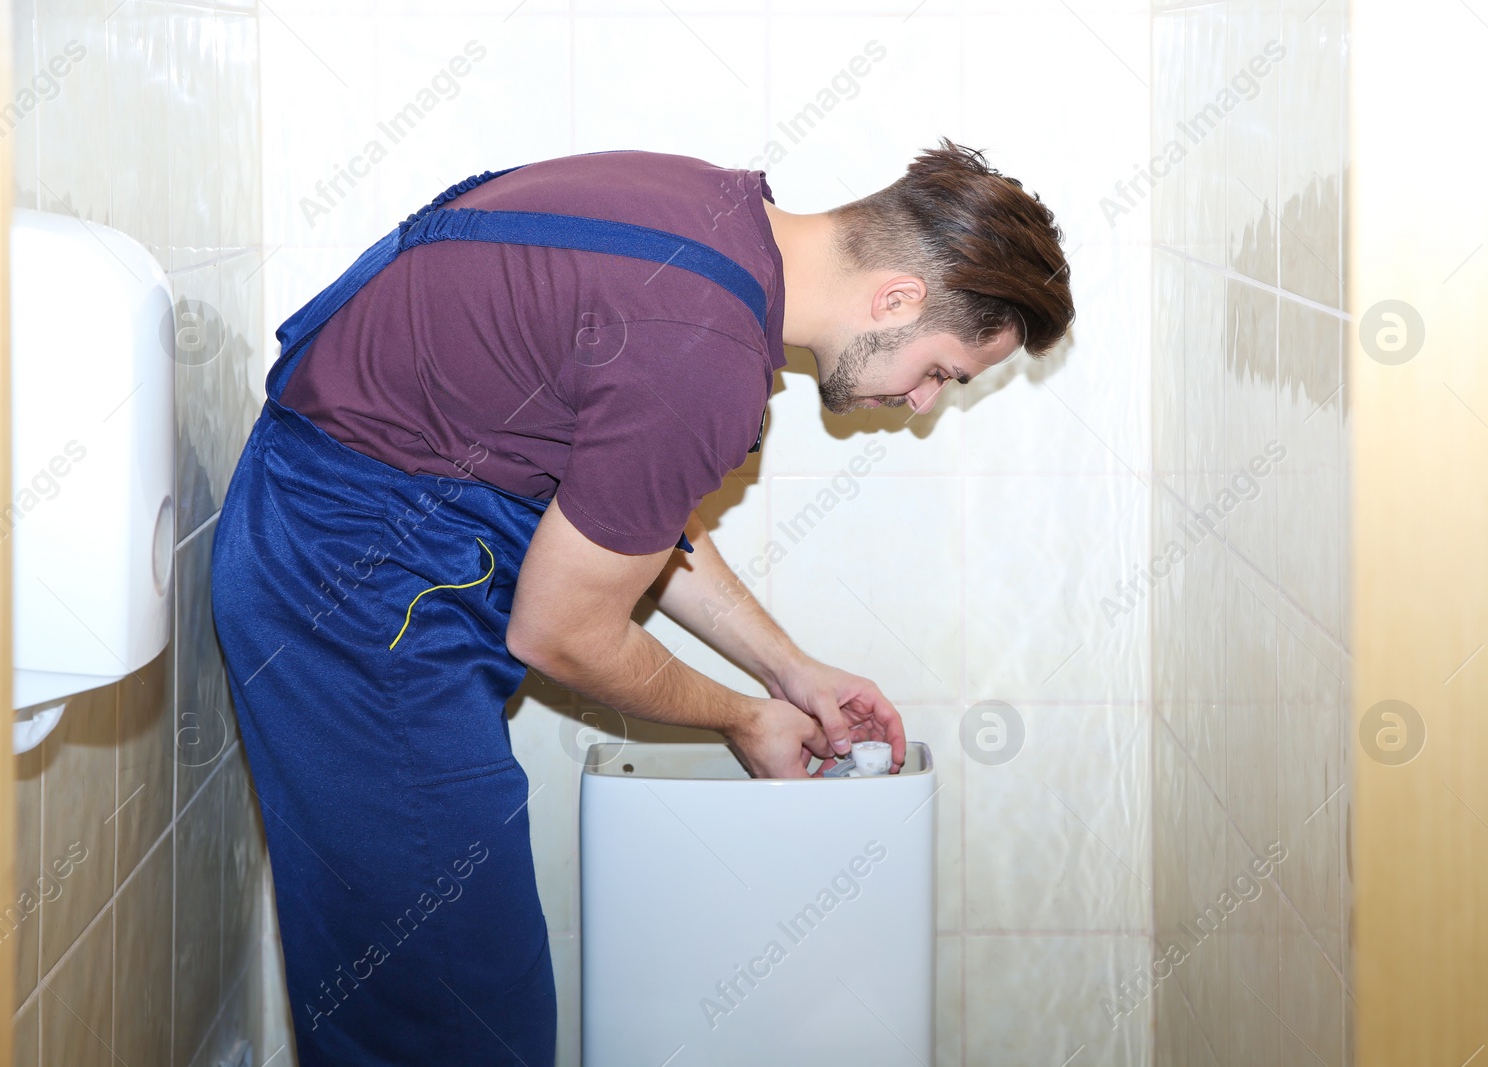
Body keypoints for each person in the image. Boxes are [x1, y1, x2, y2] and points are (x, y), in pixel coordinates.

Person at [210, 139, 1073, 1065]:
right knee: (452, 1016)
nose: (923, 404)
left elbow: (625, 520)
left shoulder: (716, 217)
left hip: (345, 533)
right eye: (943, 370)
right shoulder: (702, 350)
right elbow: (563, 631)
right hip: (354, 597)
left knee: (439, 988)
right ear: (898, 298)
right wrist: (745, 717)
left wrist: (791, 670)